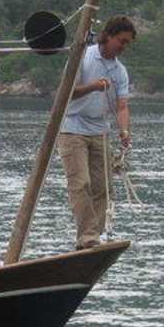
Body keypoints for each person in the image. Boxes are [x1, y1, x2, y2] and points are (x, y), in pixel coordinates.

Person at [58, 15, 135, 250]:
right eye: (121, 41)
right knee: (81, 184)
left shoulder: (120, 71)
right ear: (108, 36)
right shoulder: (84, 56)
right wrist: (93, 87)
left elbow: (122, 107)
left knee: (103, 188)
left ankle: (93, 238)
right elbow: (66, 92)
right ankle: (87, 237)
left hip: (100, 131)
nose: (123, 47)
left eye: (127, 43)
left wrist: (124, 131)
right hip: (72, 128)